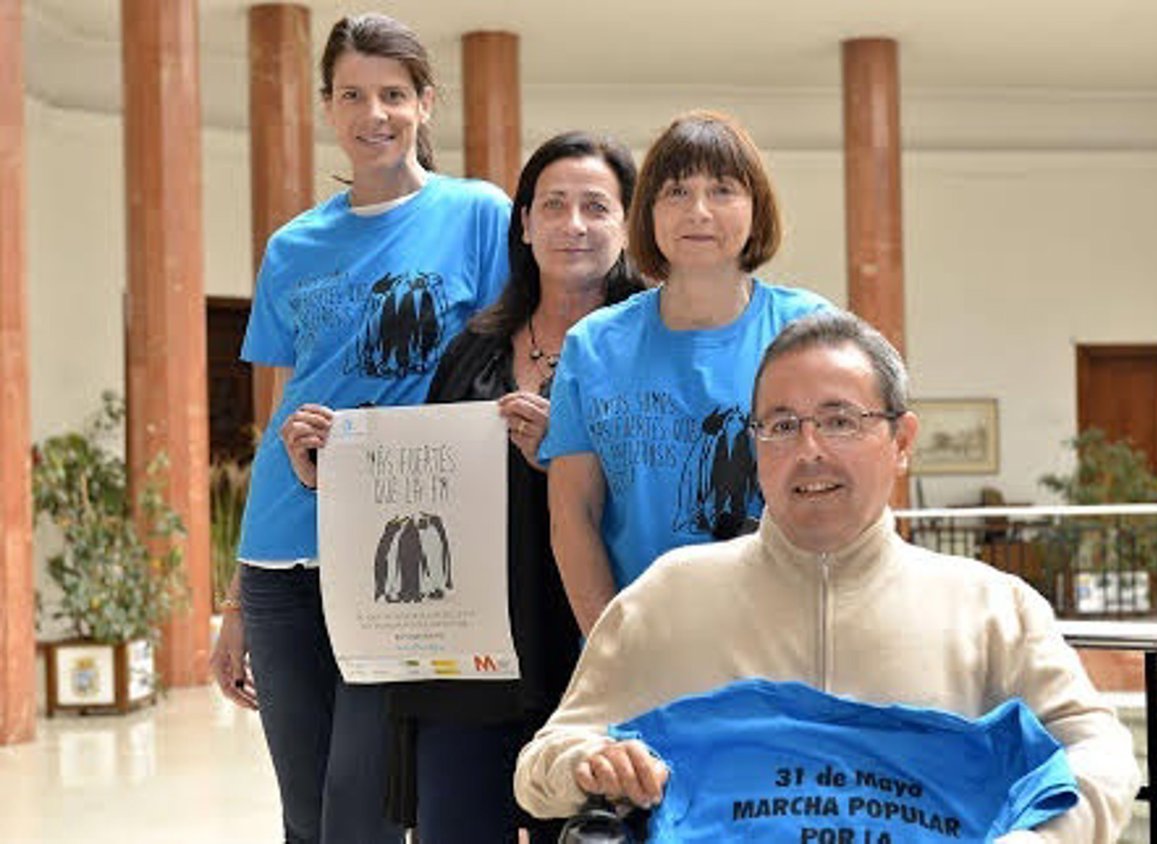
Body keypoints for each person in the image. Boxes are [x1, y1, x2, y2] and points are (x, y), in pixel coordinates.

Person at [514, 310, 1141, 843]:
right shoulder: (668, 596)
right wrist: (588, 763)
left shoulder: (990, 607)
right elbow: (542, 762)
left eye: (840, 420)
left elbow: (1098, 749)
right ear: (754, 443)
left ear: (902, 441)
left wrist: (1039, 838)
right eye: (782, 425)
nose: (809, 450)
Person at [208, 13, 510, 843]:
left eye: (392, 94)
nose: (373, 114)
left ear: (425, 103)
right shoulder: (293, 246)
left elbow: (504, 362)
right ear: (327, 108)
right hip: (283, 553)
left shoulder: (478, 215)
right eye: (351, 95)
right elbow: (285, 409)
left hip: (401, 554)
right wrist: (236, 600)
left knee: (361, 808)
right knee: (306, 816)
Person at [390, 131, 644, 842]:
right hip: (471, 660)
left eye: (596, 206)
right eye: (553, 205)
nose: (573, 224)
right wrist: (337, 467)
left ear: (628, 226)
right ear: (525, 224)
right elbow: (424, 483)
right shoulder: (473, 346)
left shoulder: (651, 342)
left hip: (595, 644)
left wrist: (564, 459)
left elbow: (669, 489)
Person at [540, 110, 831, 635]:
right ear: (647, 212)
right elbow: (573, 517)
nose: (698, 211)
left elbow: (844, 495)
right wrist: (614, 648)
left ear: (756, 208)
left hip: (786, 641)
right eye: (676, 191)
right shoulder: (593, 346)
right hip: (642, 642)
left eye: (722, 190)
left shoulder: (810, 331)